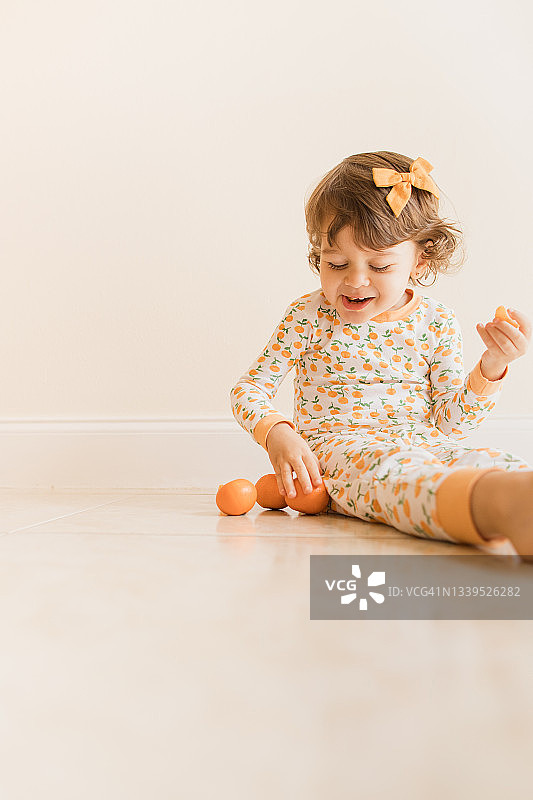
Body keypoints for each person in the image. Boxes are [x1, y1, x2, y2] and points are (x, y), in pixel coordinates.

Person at [230, 152, 533, 558]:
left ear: (419, 260)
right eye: (336, 263)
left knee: (493, 461)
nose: (355, 281)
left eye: (380, 266)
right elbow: (249, 389)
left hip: (427, 444)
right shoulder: (308, 316)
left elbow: (451, 424)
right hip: (343, 453)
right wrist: (278, 434)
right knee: (395, 478)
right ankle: (498, 510)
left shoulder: (436, 321)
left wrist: (493, 366)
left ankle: (512, 495)